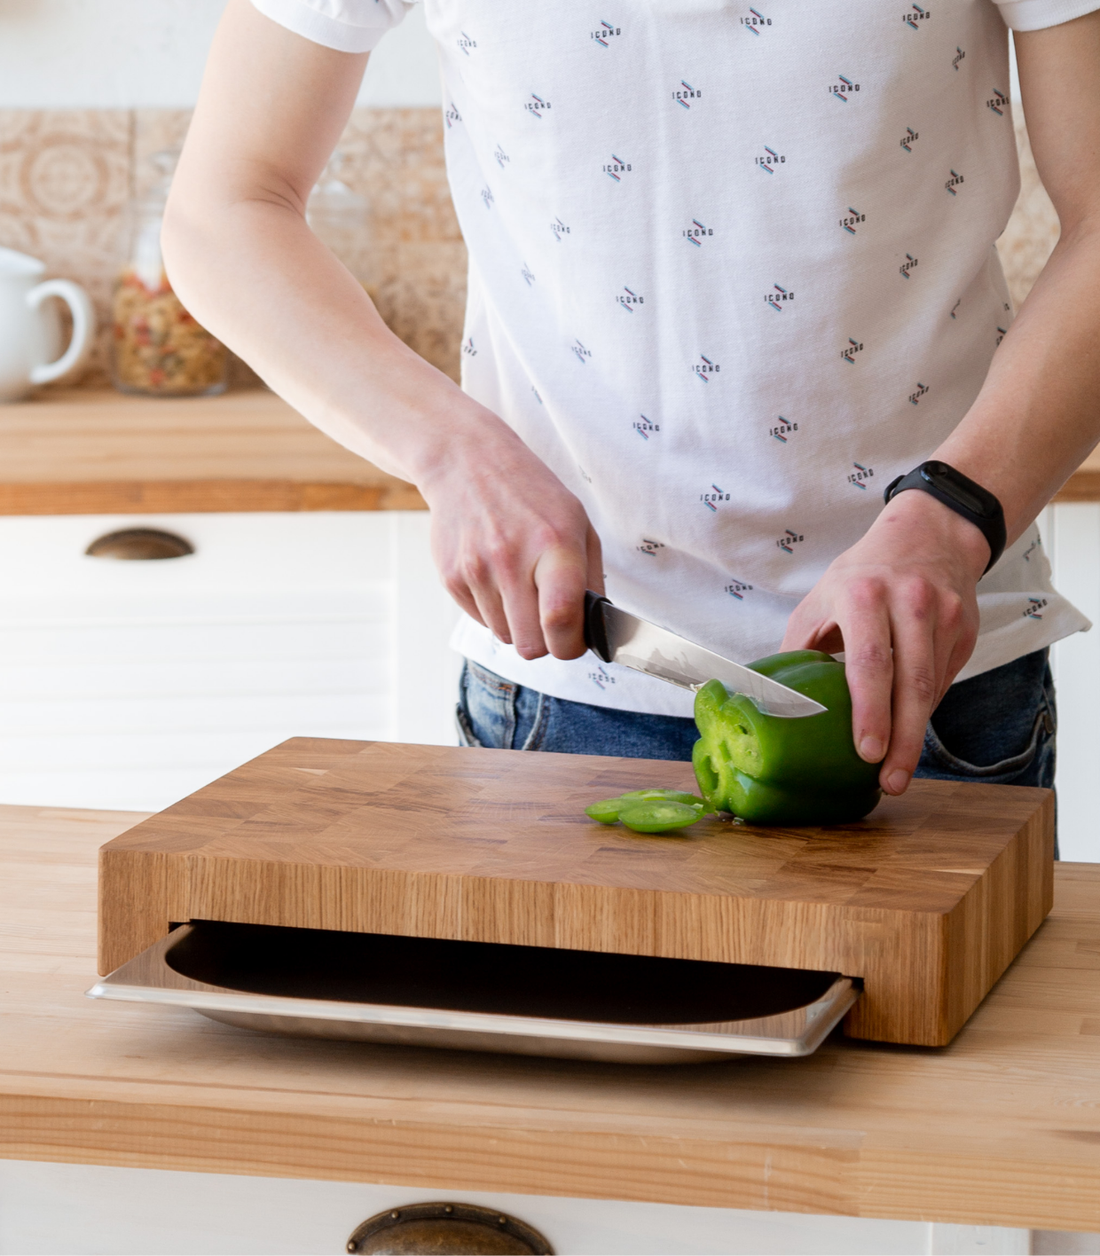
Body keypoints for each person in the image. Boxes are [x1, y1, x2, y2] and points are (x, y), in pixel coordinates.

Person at [163, 0, 1100, 801]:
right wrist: (453, 452)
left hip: (936, 675)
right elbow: (225, 207)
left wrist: (952, 519)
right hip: (563, 679)